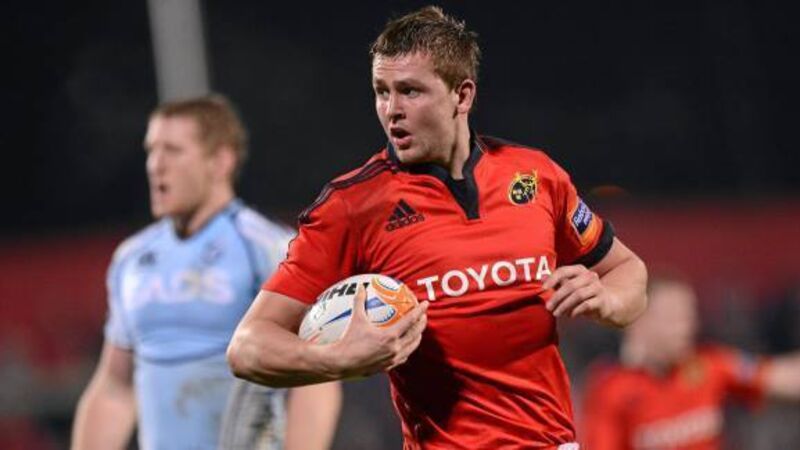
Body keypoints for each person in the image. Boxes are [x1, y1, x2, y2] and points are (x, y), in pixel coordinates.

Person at [227, 7, 647, 449]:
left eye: (410, 91)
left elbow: (628, 271)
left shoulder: (535, 177)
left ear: (461, 96)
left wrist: (609, 301)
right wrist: (334, 358)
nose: (392, 110)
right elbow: (249, 346)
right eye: (381, 91)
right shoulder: (352, 206)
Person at [71, 95, 341, 450]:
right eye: (151, 150)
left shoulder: (269, 249)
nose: (155, 165)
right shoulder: (132, 259)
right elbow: (115, 388)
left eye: (172, 150)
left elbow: (316, 379)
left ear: (220, 162)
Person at [580, 274, 800, 450]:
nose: (686, 328)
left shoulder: (709, 367)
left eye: (689, 316)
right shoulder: (611, 391)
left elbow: (781, 377)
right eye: (673, 317)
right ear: (638, 321)